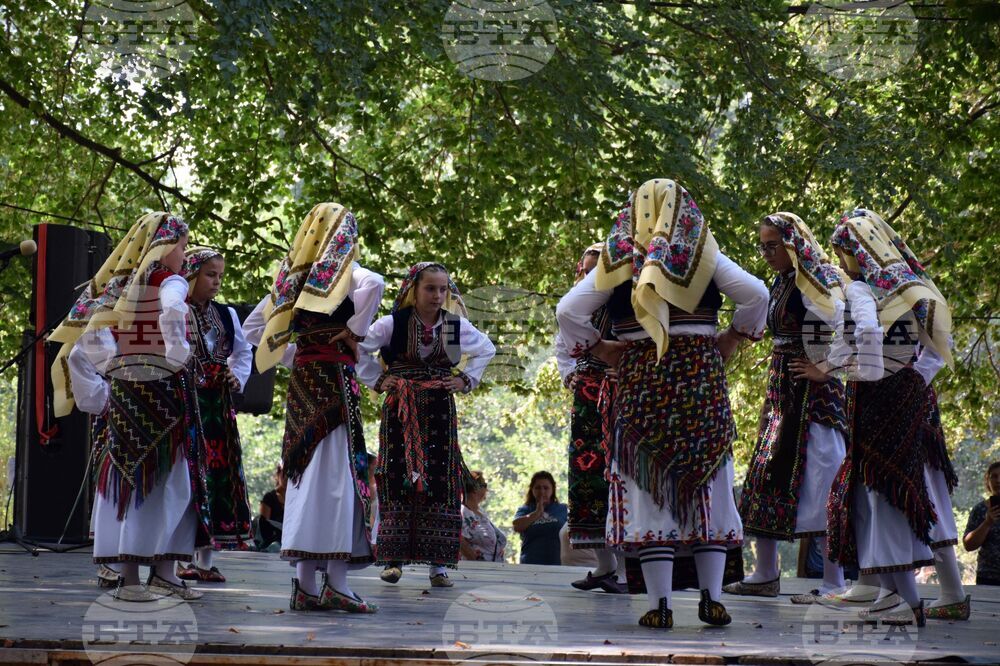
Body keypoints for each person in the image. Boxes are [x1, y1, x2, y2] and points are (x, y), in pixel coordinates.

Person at [557, 178, 768, 629]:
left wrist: (599, 347)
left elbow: (567, 312)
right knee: (706, 491)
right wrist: (733, 336)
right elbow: (758, 295)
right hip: (700, 387)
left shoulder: (619, 259)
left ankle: (660, 605)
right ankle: (711, 599)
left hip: (642, 389)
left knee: (649, 495)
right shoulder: (705, 257)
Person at [51, 212, 209, 602]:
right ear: (165, 246)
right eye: (183, 246)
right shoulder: (168, 281)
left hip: (125, 393)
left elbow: (84, 337)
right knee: (168, 483)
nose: (184, 256)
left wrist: (111, 372)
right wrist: (177, 353)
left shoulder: (113, 286)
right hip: (163, 395)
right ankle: (152, 576)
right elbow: (172, 311)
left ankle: (141, 576)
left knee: (126, 477)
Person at [245, 202, 384, 613]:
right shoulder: (349, 276)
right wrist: (353, 331)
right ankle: (336, 585)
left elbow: (256, 330)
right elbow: (374, 283)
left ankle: (306, 585)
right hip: (335, 387)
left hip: (303, 388)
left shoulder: (290, 281)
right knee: (338, 479)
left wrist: (299, 354)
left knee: (306, 477)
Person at [825, 208, 957, 627]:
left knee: (881, 492)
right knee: (909, 487)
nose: (842, 262)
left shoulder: (862, 289)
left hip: (878, 397)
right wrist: (915, 376)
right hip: (912, 394)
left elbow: (862, 334)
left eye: (842, 253)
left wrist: (857, 371)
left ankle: (903, 600)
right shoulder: (913, 287)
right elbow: (942, 338)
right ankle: (893, 593)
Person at [724, 213, 848, 604]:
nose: (766, 253)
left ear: (793, 242)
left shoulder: (818, 278)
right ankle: (764, 573)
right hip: (783, 393)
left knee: (824, 479)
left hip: (814, 400)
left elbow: (849, 325)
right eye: (762, 245)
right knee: (765, 474)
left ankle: (834, 581)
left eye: (772, 245)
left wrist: (825, 368)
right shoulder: (781, 282)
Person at [357, 262, 495, 587]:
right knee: (397, 475)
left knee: (440, 479)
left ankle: (439, 566)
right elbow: (359, 348)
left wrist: (465, 380)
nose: (437, 295)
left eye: (443, 289)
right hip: (400, 411)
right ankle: (392, 560)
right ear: (413, 290)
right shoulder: (394, 323)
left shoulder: (452, 326)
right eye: (430, 288)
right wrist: (378, 380)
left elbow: (486, 348)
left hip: (438, 410)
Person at [177, 247, 254, 583]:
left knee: (217, 478)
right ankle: (178, 558)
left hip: (217, 406)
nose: (217, 282)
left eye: (220, 275)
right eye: (210, 274)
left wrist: (236, 376)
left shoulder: (226, 314)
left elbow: (242, 350)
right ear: (191, 274)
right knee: (187, 476)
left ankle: (205, 561)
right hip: (184, 402)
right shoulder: (173, 310)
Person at [555, 243, 626, 592]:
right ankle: (604, 565)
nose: (590, 277)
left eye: (598, 270)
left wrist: (625, 370)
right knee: (586, 477)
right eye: (586, 270)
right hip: (586, 399)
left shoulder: (625, 302)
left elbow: (645, 342)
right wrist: (570, 374)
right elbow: (562, 346)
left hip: (620, 399)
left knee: (621, 476)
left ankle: (629, 571)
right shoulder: (576, 306)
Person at [513, 471, 567, 565]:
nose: (542, 492)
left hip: (558, 565)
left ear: (553, 489)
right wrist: (536, 513)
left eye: (546, 488)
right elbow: (516, 526)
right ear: (532, 490)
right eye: (537, 488)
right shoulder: (525, 509)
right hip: (530, 565)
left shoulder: (563, 509)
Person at [963, 461, 1000, 586]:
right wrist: (987, 523)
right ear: (988, 482)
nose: (998, 480)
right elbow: (968, 546)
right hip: (988, 578)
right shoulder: (980, 509)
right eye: (994, 476)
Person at [460, 471, 507, 562]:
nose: (487, 490)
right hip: (476, 571)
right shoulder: (463, 513)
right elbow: (460, 541)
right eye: (485, 485)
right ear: (475, 488)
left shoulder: (480, 513)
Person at [257, 463, 286, 551]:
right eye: (284, 475)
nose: (287, 479)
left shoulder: (299, 498)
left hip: (291, 539)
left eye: (291, 476)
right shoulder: (269, 497)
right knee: (275, 547)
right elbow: (264, 526)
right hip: (273, 539)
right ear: (278, 475)